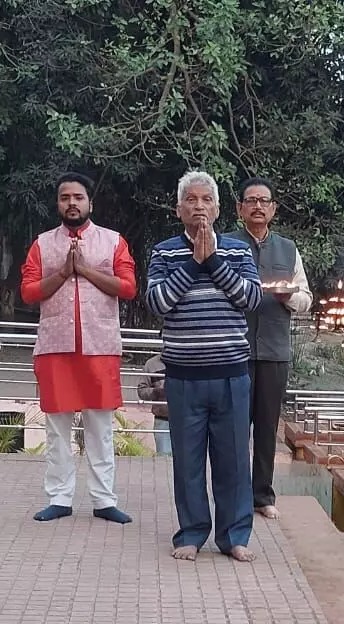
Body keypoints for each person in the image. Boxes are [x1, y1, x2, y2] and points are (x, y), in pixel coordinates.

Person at [145, 170, 262, 562]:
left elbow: (251, 299)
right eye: (191, 200)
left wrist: (213, 260)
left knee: (234, 461)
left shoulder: (238, 251)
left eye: (206, 200)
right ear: (178, 209)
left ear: (217, 209)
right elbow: (158, 303)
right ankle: (192, 533)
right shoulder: (164, 253)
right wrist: (194, 263)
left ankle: (234, 536)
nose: (199, 206)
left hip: (231, 375)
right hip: (183, 377)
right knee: (188, 462)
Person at [20, 172, 135, 525]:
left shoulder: (113, 241)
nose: (72, 203)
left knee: (100, 427)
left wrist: (83, 270)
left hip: (99, 345)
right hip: (56, 346)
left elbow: (128, 287)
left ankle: (104, 500)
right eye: (65, 197)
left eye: (78, 197)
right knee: (57, 428)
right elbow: (28, 292)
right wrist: (62, 273)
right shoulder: (42, 244)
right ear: (58, 204)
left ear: (90, 204)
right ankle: (59, 497)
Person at [225, 177, 313, 520]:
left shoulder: (288, 249)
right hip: (235, 349)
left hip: (274, 351)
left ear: (273, 209)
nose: (258, 206)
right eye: (251, 201)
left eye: (264, 201)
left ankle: (262, 495)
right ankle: (233, 494)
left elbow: (306, 298)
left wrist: (287, 295)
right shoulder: (226, 244)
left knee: (266, 427)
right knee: (234, 427)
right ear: (239, 208)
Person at [136, 353, 171, 456]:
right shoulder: (152, 364)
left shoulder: (188, 361)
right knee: (164, 457)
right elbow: (141, 391)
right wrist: (157, 392)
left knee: (187, 457)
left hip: (188, 420)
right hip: (163, 420)